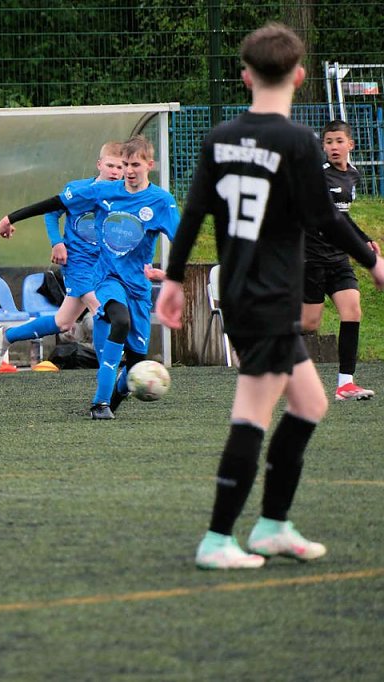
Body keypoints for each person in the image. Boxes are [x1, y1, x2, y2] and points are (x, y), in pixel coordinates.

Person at [155, 23, 384, 570]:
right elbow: (326, 217)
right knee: (252, 413)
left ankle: (273, 526)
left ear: (245, 76)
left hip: (243, 291)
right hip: (270, 296)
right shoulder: (297, 142)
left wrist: (173, 279)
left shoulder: (219, 137)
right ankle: (217, 539)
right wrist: (374, 260)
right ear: (300, 77)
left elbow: (194, 212)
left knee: (310, 404)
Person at [0, 135, 178, 420]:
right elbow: (55, 203)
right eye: (124, 165)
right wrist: (11, 218)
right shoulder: (103, 191)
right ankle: (100, 403)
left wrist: (169, 274)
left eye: (135, 165)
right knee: (118, 320)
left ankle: (114, 399)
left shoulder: (161, 202)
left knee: (136, 361)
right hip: (106, 277)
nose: (128, 171)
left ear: (149, 165)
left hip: (138, 287)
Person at [0, 141, 124, 368]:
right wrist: (57, 243)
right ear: (99, 164)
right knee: (101, 308)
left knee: (63, 322)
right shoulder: (78, 189)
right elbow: (51, 213)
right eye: (110, 165)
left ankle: (8, 335)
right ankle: (107, 371)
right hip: (77, 262)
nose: (115, 171)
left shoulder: (122, 196)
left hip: (102, 265)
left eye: (120, 167)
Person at [301, 119, 380, 401]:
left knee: (353, 310)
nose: (334, 147)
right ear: (323, 146)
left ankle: (345, 384)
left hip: (338, 258)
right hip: (311, 258)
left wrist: (363, 238)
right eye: (328, 142)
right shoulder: (318, 176)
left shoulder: (353, 175)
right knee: (309, 324)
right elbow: (329, 217)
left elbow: (342, 216)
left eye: (339, 141)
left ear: (350, 145)